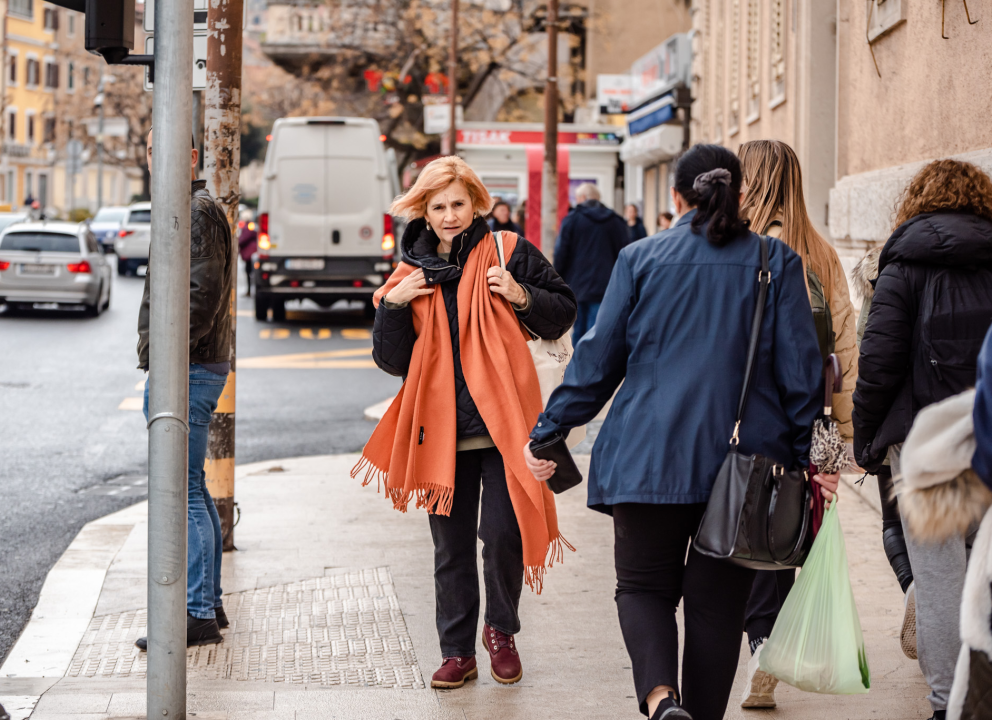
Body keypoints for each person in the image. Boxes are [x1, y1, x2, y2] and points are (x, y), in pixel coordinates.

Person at [524, 144, 838, 720]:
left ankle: (662, 699)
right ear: (739, 193)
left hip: (645, 457)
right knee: (717, 610)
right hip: (743, 467)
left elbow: (596, 362)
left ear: (675, 196)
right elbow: (801, 374)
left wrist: (550, 429)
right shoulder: (776, 260)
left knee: (643, 589)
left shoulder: (639, 258)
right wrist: (808, 462)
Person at [355, 155, 576, 690]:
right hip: (441, 434)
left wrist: (521, 295)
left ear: (476, 203)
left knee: (502, 536)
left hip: (504, 430)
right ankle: (456, 652)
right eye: (438, 207)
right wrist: (393, 307)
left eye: (458, 204)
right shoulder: (409, 274)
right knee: (450, 550)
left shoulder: (508, 251)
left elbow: (563, 310)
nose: (450, 215)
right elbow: (392, 362)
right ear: (424, 213)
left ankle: (500, 632)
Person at [853, 158, 992, 720]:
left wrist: (866, 437)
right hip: (986, 435)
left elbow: (878, 362)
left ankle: (947, 706)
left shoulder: (903, 265)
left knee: (938, 583)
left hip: (926, 447)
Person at [735, 139, 861, 709]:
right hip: (810, 417)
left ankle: (753, 639)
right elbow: (845, 352)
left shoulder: (732, 245)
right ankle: (766, 641)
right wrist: (843, 437)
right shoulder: (821, 253)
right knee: (781, 528)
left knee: (730, 524)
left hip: (740, 413)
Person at [134, 129, 235, 650]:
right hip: (191, 365)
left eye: (168, 147)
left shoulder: (195, 211)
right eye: (152, 149)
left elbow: (200, 295)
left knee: (183, 491)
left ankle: (195, 614)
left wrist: (167, 361)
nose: (159, 158)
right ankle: (207, 604)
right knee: (192, 488)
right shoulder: (187, 207)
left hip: (188, 368)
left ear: (192, 155)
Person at [852, 243, 916, 658]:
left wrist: (864, 433)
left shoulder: (882, 271)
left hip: (896, 424)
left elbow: (868, 355)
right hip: (955, 418)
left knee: (894, 523)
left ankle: (914, 589)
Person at [553, 183, 630, 344]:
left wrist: (557, 279)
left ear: (582, 198)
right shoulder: (616, 221)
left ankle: (577, 359)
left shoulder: (572, 219)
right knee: (598, 330)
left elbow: (561, 253)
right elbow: (625, 253)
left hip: (577, 285)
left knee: (578, 329)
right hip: (606, 285)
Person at [237, 208, 258, 297]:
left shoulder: (247, 227)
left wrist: (236, 242)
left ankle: (249, 290)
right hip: (252, 252)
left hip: (249, 253)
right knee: (252, 272)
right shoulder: (252, 226)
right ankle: (251, 290)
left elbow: (243, 239)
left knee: (249, 272)